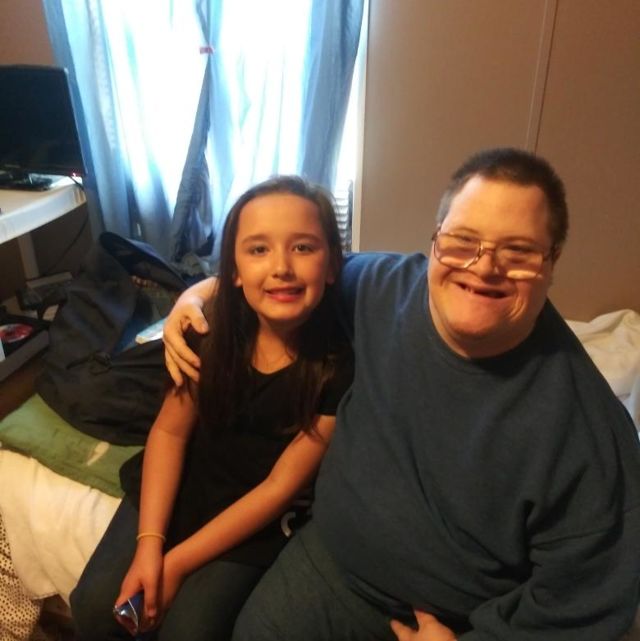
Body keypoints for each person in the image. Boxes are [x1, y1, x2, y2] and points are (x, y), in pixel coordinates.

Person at [162, 148, 640, 641]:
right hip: (326, 563)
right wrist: (195, 295)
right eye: (462, 241)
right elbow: (291, 274)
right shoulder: (381, 288)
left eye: (518, 252)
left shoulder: (589, 435)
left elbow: (587, 602)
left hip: (446, 620)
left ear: (552, 261)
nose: (484, 268)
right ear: (435, 241)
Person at [70, 175, 355, 641]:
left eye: (303, 247)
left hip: (255, 517)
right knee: (94, 605)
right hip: (183, 486)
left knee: (191, 631)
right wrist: (150, 546)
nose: (281, 267)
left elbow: (278, 488)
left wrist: (177, 563)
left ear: (331, 265)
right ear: (234, 271)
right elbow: (169, 433)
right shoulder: (210, 335)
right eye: (258, 249)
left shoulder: (338, 367)